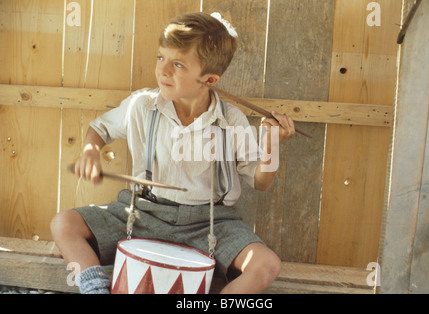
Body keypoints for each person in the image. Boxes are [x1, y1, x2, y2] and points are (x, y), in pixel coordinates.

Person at [51, 12, 295, 294]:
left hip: (211, 223)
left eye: (177, 64)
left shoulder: (232, 120)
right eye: (160, 57)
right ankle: (94, 288)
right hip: (142, 213)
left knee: (266, 266)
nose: (163, 70)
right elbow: (100, 128)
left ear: (210, 79)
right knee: (64, 224)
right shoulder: (142, 106)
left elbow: (261, 182)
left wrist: (273, 142)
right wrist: (91, 152)